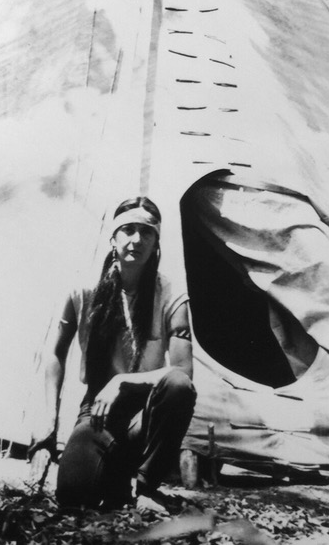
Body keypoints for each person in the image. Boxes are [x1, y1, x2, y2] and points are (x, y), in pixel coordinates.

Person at [29, 196, 196, 514]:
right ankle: (116, 474)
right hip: (99, 410)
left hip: (146, 410)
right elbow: (55, 353)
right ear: (113, 238)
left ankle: (146, 486)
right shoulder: (84, 290)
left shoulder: (171, 294)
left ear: (156, 241)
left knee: (177, 387)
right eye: (128, 230)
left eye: (146, 232)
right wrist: (49, 423)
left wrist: (122, 381)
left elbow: (183, 372)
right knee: (74, 494)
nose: (136, 240)